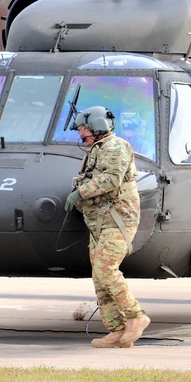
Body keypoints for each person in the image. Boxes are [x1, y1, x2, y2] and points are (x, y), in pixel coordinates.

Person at [64, 106, 150, 348]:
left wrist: (80, 192)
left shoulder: (115, 147)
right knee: (99, 276)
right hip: (98, 223)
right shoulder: (96, 150)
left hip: (116, 220)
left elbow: (111, 179)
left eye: (83, 129)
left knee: (106, 269)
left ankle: (136, 317)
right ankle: (117, 330)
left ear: (97, 126)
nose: (81, 135)